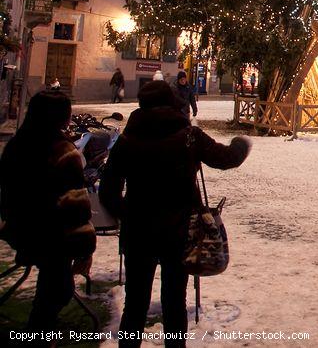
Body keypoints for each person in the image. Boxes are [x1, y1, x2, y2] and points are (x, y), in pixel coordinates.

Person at [100, 80, 250, 348]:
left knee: (134, 304)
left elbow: (108, 192)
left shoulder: (127, 141)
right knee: (174, 303)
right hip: (179, 232)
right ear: (172, 102)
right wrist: (240, 144)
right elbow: (227, 158)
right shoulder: (189, 136)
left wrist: (129, 215)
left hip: (138, 234)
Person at [0, 91, 96, 334]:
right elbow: (76, 207)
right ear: (63, 118)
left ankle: (41, 326)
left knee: (55, 282)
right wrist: (85, 249)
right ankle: (38, 332)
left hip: (18, 228)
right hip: (52, 235)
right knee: (59, 288)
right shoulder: (63, 151)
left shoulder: (16, 145)